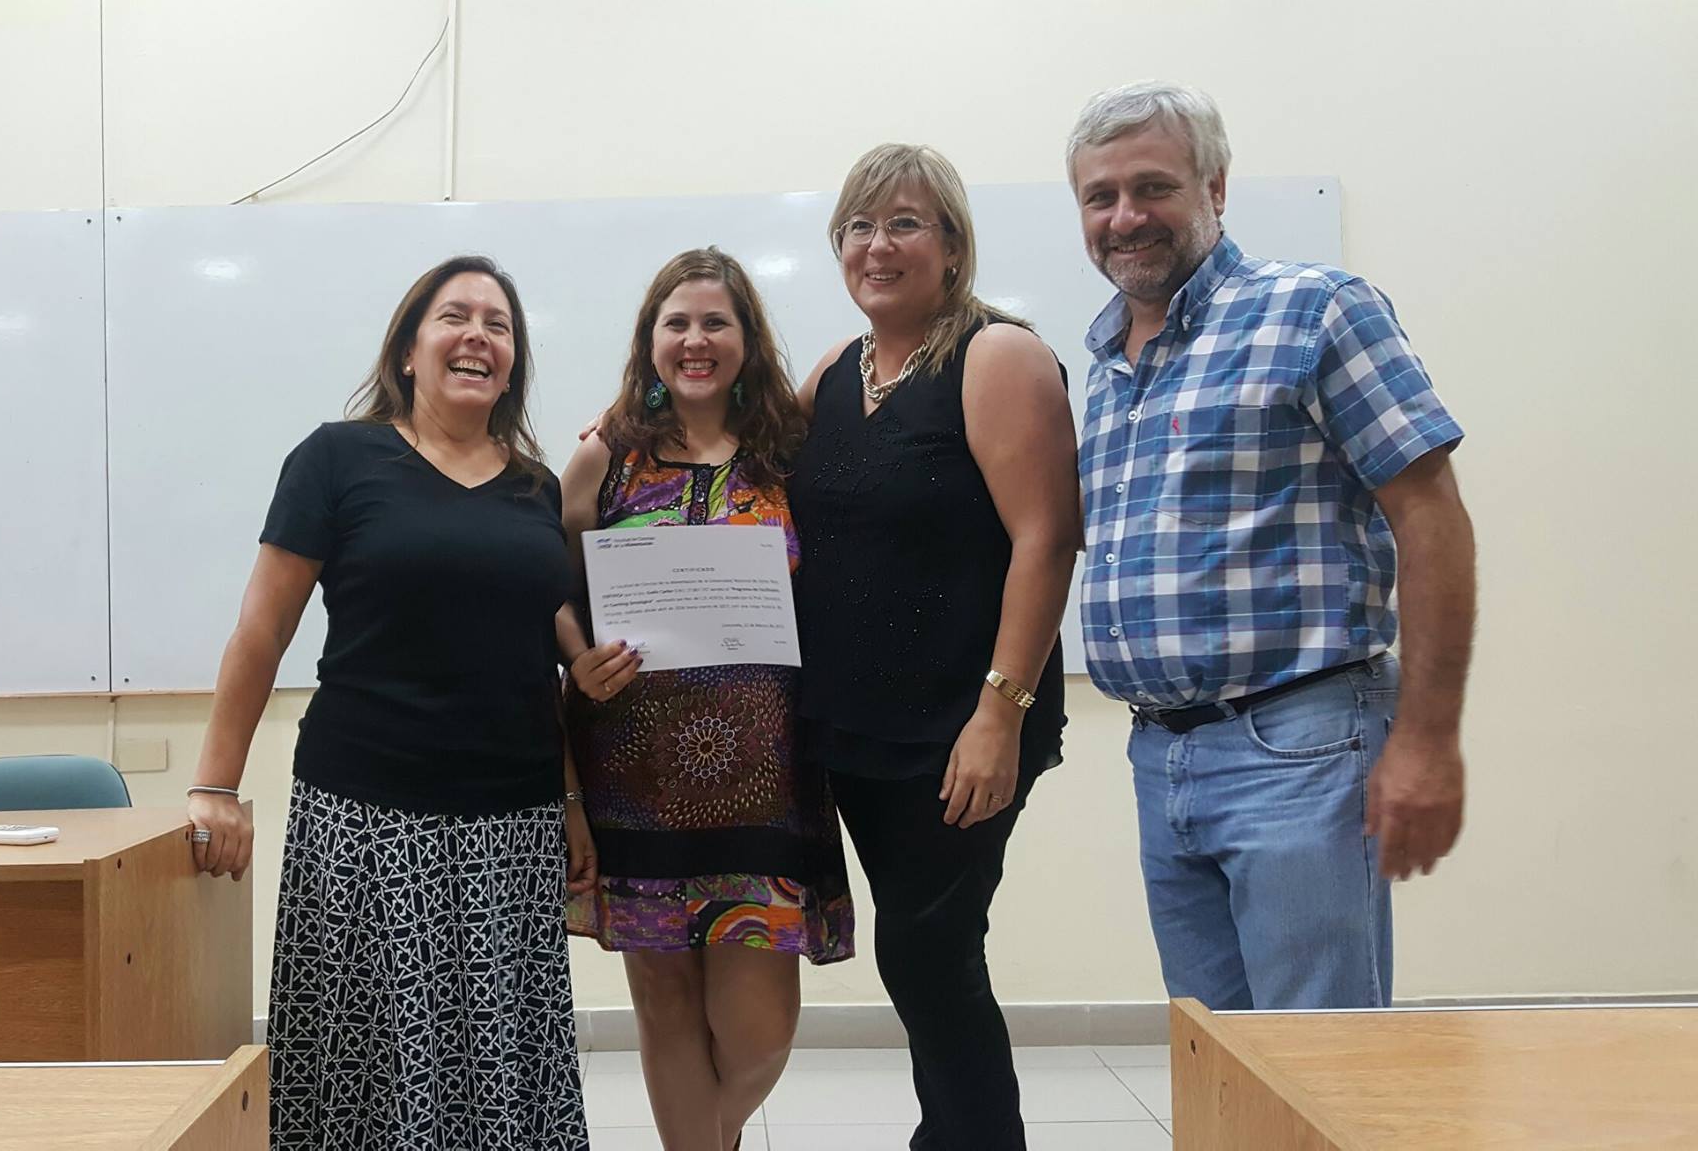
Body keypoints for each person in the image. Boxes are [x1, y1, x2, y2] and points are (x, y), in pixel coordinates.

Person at [1065, 81, 1476, 1011]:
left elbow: (1432, 517)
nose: (1125, 217)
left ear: (1215, 188)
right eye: (1101, 197)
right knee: (1217, 1058)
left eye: (1153, 187)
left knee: (1317, 1061)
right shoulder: (1107, 368)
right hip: (1161, 755)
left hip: (1301, 743)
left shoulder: (1315, 309)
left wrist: (1429, 739)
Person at [183, 255, 592, 1150]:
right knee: (365, 1074)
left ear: (512, 364)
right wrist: (214, 784)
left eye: (498, 325)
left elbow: (538, 661)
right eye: (455, 316)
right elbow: (262, 631)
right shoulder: (336, 458)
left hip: (513, 827)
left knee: (498, 1073)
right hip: (366, 821)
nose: (477, 336)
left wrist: (571, 801)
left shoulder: (537, 487)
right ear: (409, 350)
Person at [788, 144, 1082, 1150]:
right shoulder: (834, 371)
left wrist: (1000, 713)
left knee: (930, 953)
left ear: (952, 246)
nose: (878, 245)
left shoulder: (998, 357)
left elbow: (1047, 538)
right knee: (918, 954)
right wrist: (632, 419)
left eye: (904, 223)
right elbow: (743, 473)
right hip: (852, 730)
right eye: (858, 227)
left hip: (961, 727)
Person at [559, 247, 853, 1151]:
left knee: (761, 1032)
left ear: (746, 339)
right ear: (650, 340)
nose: (696, 340)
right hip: (632, 782)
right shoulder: (606, 457)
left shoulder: (790, 455)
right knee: (666, 1009)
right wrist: (577, 657)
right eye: (677, 322)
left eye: (715, 322)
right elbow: (544, 579)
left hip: (767, 785)